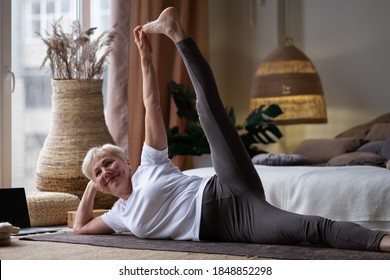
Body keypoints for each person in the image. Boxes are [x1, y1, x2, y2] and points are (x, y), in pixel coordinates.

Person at [73, 7, 390, 252]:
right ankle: (383, 242)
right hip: (238, 223)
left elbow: (151, 104)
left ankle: (176, 33)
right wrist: (92, 183)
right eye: (98, 173)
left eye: (108, 162)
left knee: (207, 111)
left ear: (127, 162)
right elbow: (80, 228)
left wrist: (145, 58)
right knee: (311, 230)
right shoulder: (118, 215)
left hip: (224, 184)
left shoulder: (150, 163)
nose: (105, 172)